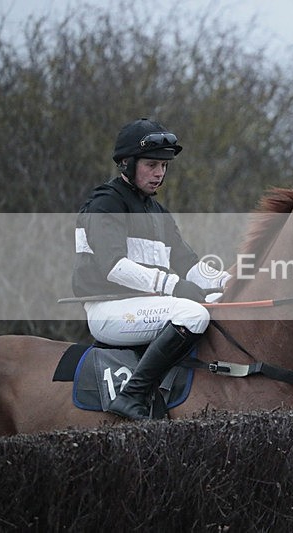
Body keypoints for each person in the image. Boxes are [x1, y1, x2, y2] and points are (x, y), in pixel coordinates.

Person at [73, 118, 230, 420]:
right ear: (126, 164)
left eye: (164, 166)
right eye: (151, 164)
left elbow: (190, 265)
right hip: (111, 310)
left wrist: (234, 281)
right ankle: (133, 395)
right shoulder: (105, 203)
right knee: (193, 313)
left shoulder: (158, 212)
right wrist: (173, 286)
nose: (159, 173)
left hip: (147, 304)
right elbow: (113, 267)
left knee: (216, 305)